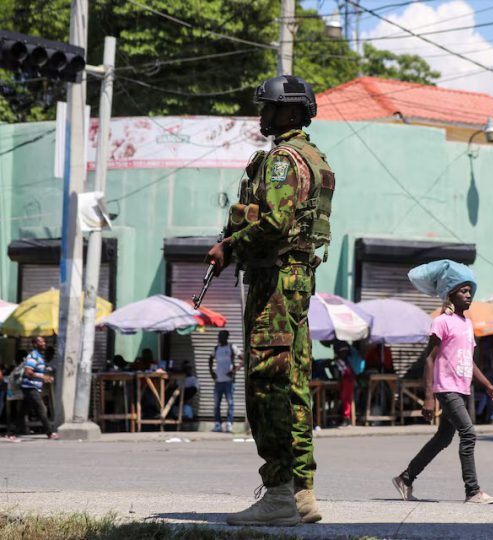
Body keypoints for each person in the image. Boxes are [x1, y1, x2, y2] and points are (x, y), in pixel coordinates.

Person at [206, 75, 334, 526]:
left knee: (268, 383)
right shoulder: (314, 157)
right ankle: (301, 493)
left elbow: (276, 221)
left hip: (275, 281)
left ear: (294, 112)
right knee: (294, 383)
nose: (263, 115)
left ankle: (279, 493)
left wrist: (230, 246)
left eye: (271, 108)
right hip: (296, 279)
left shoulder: (282, 159)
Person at [392, 259, 493, 504]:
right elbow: (429, 359)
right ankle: (472, 491)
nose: (469, 295)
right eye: (463, 291)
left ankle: (405, 478)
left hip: (462, 389)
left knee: (443, 438)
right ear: (451, 294)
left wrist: (489, 386)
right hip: (446, 388)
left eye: (470, 291)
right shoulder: (441, 322)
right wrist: (429, 398)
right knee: (468, 433)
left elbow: (469, 361)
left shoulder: (467, 324)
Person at [13, 336, 58, 440]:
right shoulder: (33, 356)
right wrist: (43, 377)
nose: (44, 343)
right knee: (41, 408)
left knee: (23, 411)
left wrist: (44, 378)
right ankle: (50, 432)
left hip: (32, 387)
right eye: (41, 342)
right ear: (34, 344)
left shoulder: (38, 356)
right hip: (30, 387)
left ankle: (12, 432)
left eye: (44, 341)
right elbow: (28, 372)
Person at [208, 330, 242, 433]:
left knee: (230, 403)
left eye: (221, 336)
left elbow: (243, 359)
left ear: (226, 337)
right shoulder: (216, 348)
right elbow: (210, 359)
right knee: (216, 404)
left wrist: (235, 370)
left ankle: (229, 424)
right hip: (218, 381)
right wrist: (211, 372)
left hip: (229, 381)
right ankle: (218, 424)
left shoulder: (232, 347)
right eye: (218, 336)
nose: (219, 338)